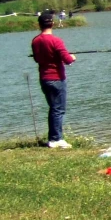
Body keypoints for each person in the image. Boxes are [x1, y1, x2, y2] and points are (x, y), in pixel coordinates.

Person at [31, 10, 75, 149]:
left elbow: (37, 59)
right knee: (59, 109)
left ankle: (53, 138)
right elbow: (67, 60)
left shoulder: (35, 41)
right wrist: (72, 57)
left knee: (53, 108)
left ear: (39, 24)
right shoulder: (56, 40)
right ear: (53, 23)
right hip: (56, 78)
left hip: (44, 79)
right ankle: (57, 139)